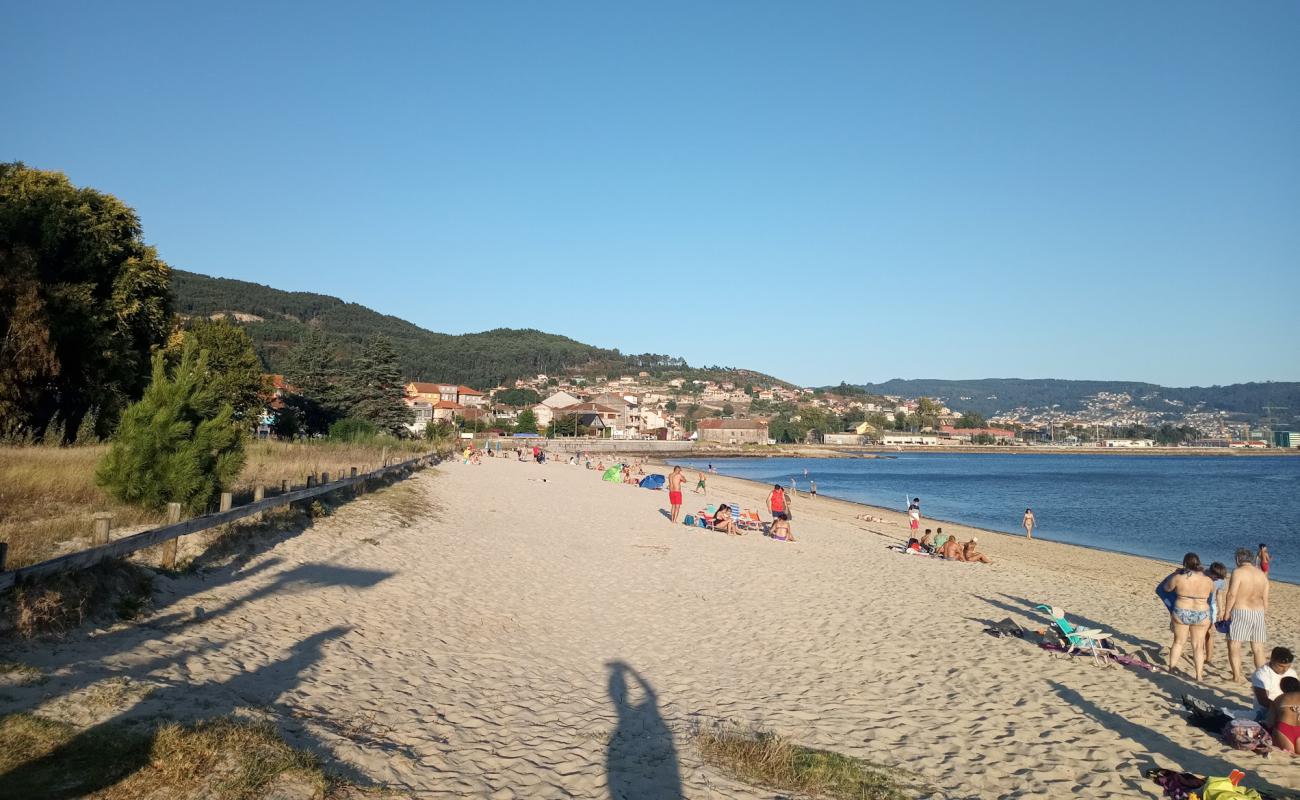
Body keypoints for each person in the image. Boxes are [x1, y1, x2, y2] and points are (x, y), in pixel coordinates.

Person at [1162, 552, 1214, 680]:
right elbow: (1211, 592)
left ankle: (1172, 668)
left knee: (1178, 642)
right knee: (1198, 645)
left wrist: (1175, 573)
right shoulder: (1208, 580)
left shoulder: (1179, 578)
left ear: (1185, 563)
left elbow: (1166, 588)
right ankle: (1199, 675)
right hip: (1201, 613)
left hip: (1182, 611)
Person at [1225, 546, 1271, 682]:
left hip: (1241, 610)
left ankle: (1237, 677)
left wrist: (1227, 611)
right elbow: (1265, 597)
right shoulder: (1261, 574)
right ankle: (1262, 678)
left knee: (1234, 644)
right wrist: (1264, 614)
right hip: (1258, 612)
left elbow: (1232, 594)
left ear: (1238, 559)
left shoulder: (1238, 572)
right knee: (1258, 648)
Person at [1252, 647, 1297, 721]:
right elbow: (1263, 700)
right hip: (1267, 711)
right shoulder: (1261, 674)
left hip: (1289, 707)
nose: (1285, 669)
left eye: (1288, 666)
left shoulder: (1292, 673)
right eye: (1281, 666)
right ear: (1272, 660)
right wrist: (1284, 710)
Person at [1204, 562, 1230, 669]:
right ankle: (1200, 655)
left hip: (1212, 606)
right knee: (1199, 633)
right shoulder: (1204, 574)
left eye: (1220, 578)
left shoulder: (1221, 580)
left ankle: (1208, 658)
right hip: (1200, 605)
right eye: (1217, 577)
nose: (1218, 579)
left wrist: (1221, 610)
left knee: (1209, 632)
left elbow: (1219, 595)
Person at [1267, 675, 1300, 755]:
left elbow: (1270, 722)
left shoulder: (1278, 699)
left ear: (1282, 688)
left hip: (1283, 729)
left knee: (1289, 756)